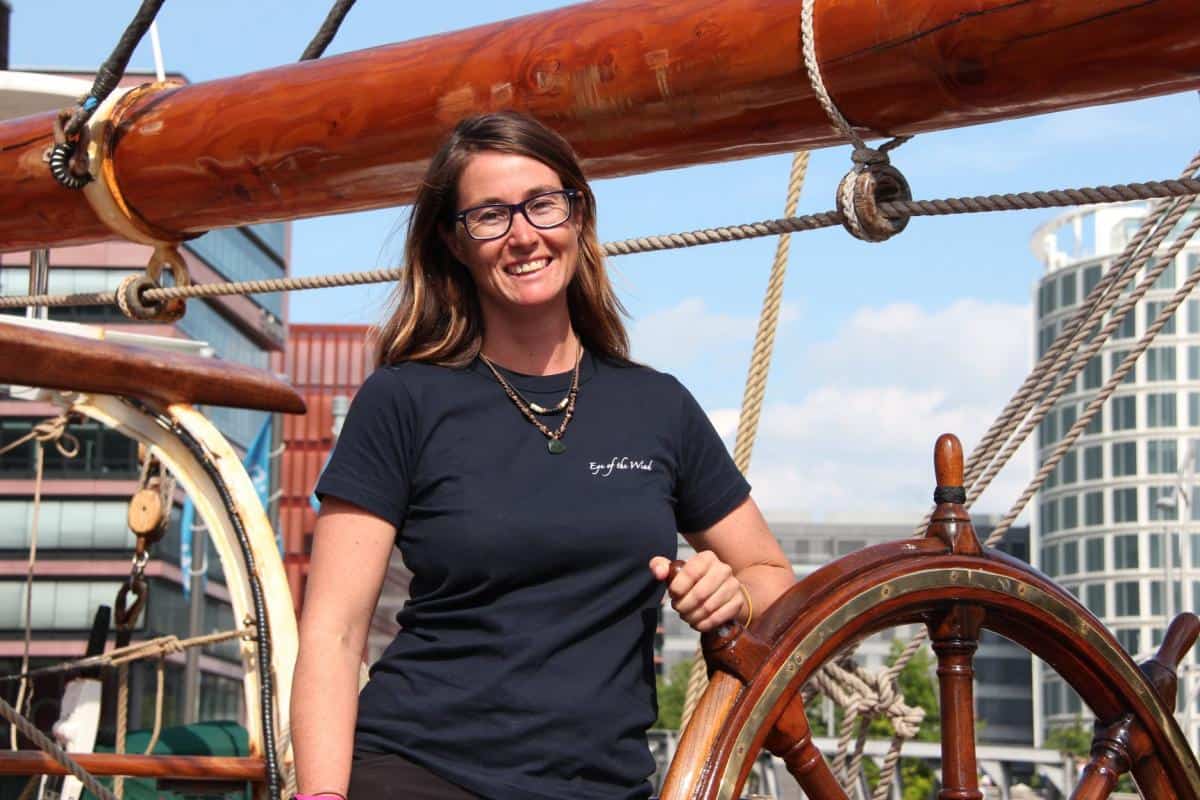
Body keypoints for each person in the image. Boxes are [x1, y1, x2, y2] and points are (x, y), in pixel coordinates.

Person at [290, 111, 794, 800]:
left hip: (605, 787)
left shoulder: (658, 406)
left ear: (577, 216)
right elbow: (335, 633)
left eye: (542, 204)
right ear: (454, 241)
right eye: (490, 215)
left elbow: (772, 574)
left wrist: (734, 593)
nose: (523, 234)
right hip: (419, 771)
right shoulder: (402, 399)